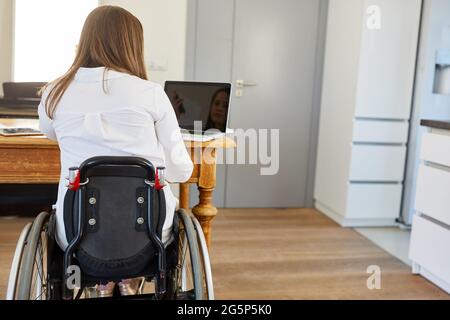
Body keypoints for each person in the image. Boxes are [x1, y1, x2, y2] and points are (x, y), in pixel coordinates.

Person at [38, 5, 193, 297]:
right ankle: (127, 280)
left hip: (75, 235)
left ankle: (103, 281)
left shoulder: (55, 92)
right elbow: (181, 171)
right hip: (148, 238)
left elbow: (50, 131)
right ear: (132, 45)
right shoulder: (151, 94)